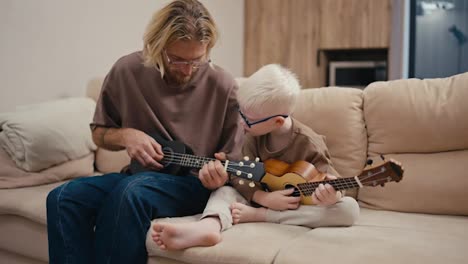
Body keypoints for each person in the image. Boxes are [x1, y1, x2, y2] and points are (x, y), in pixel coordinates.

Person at [46, 1, 244, 263]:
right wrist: (126, 135)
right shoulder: (126, 71)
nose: (187, 70)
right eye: (177, 60)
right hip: (139, 177)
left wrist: (218, 177)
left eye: (197, 61)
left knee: (131, 192)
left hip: (193, 185)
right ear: (156, 45)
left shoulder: (224, 85)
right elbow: (99, 134)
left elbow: (234, 164)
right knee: (62, 197)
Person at [151, 64, 360, 250]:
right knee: (224, 191)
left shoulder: (309, 143)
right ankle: (208, 226)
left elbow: (334, 182)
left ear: (277, 122)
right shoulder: (252, 135)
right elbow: (240, 176)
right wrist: (264, 198)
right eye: (240, 113)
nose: (241, 123)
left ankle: (266, 217)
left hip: (297, 206)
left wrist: (331, 195)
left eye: (248, 120)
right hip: (258, 199)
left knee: (348, 210)